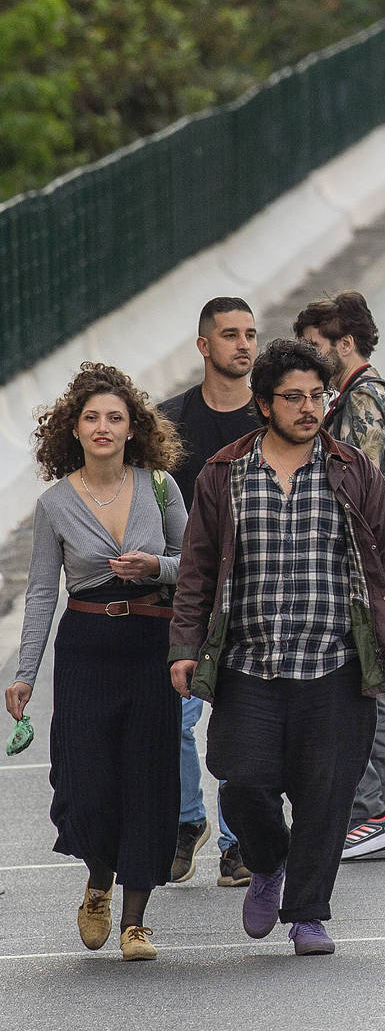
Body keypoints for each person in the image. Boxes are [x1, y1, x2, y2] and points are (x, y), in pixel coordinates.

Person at [169, 339, 385, 956]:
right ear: (263, 403)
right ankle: (267, 862)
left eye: (317, 396)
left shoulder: (352, 470)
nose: (309, 408)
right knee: (242, 778)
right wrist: (184, 646)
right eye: (294, 398)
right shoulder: (224, 473)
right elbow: (197, 567)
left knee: (325, 793)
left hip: (333, 662)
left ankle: (307, 914)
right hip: (248, 663)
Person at [9, 363, 187, 961]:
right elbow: (39, 593)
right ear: (74, 430)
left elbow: (195, 566)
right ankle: (98, 878)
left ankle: (136, 922)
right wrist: (24, 672)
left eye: (115, 417)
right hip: (85, 649)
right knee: (84, 781)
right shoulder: (55, 503)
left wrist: (155, 568)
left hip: (150, 647)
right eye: (92, 418)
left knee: (148, 777)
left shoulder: (160, 486)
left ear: (133, 427)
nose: (104, 427)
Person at [291, 291, 385, 866]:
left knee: (360, 689)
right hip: (365, 568)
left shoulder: (364, 404)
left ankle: (372, 814)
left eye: (315, 347)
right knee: (372, 686)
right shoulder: (365, 397)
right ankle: (379, 812)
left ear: (346, 343)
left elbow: (354, 496)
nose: (308, 358)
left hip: (356, 569)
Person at [158, 297, 261, 886]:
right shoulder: (169, 424)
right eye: (229, 335)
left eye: (250, 334)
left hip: (253, 595)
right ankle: (185, 821)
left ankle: (237, 841)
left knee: (240, 722)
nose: (243, 345)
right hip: (185, 594)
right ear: (204, 346)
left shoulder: (268, 419)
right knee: (175, 715)